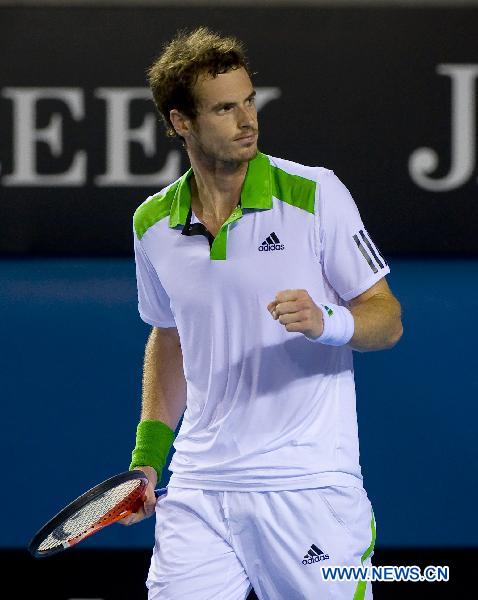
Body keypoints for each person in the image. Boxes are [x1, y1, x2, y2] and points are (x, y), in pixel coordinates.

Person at [121, 26, 403, 600]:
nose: (247, 119)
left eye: (250, 100)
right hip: (199, 488)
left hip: (307, 488)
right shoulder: (151, 223)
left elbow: (388, 318)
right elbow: (170, 338)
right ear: (181, 122)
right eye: (224, 108)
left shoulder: (316, 193)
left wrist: (331, 322)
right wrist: (148, 461)